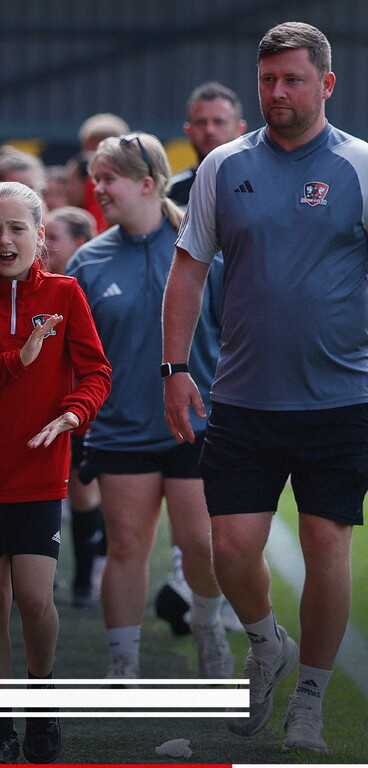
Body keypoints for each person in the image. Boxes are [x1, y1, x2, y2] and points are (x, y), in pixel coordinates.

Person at [164, 21, 368, 754]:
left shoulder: (360, 167)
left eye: (292, 80)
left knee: (326, 543)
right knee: (230, 547)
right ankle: (264, 644)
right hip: (242, 395)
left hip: (342, 399)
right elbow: (188, 271)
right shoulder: (222, 166)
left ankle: (307, 699)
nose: (277, 93)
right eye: (268, 81)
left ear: (327, 84)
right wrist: (174, 369)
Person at [0, 181, 110, 763]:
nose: (4, 240)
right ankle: (0, 721)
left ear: (40, 234)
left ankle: (41, 696)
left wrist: (70, 416)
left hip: (40, 469)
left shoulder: (65, 293)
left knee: (34, 598)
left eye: (16, 228)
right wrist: (18, 360)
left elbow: (96, 372)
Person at [66, 132, 232, 683]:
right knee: (127, 547)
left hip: (196, 425)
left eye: (109, 178)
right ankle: (123, 664)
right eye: (96, 177)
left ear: (145, 182)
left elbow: (236, 330)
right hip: (120, 431)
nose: (99, 188)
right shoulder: (88, 263)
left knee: (201, 543)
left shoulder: (202, 245)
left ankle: (208, 630)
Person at [44, 205, 105, 607]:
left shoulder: (92, 284)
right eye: (43, 236)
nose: (44, 246)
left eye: (53, 238)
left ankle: (85, 579)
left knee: (82, 491)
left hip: (81, 408)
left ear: (80, 244)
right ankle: (42, 576)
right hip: (44, 405)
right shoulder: (39, 286)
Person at [167, 81, 247, 206]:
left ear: (240, 129)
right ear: (188, 130)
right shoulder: (169, 196)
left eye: (219, 122)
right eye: (201, 122)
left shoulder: (261, 188)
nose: (209, 130)